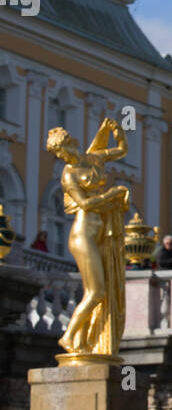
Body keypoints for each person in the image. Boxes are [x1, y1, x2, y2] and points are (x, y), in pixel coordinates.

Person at [45, 118, 129, 360]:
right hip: (82, 236)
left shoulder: (94, 158)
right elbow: (85, 204)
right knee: (96, 292)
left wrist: (119, 131)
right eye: (57, 153)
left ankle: (82, 340)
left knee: (102, 290)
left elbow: (122, 151)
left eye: (61, 150)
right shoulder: (68, 176)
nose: (61, 156)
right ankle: (69, 336)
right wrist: (114, 194)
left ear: (69, 144)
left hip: (100, 233)